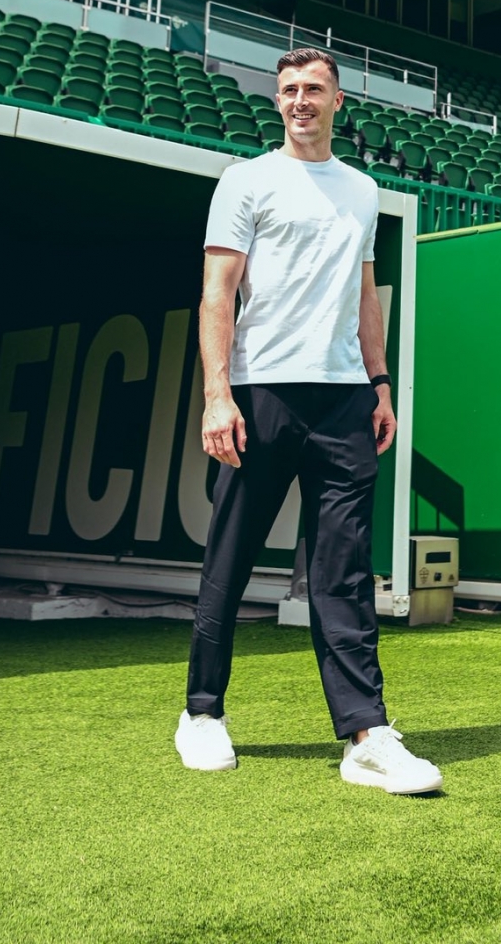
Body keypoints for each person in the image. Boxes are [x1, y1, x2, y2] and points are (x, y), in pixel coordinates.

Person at [176, 46, 442, 795]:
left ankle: (366, 734)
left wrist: (380, 383)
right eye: (289, 89)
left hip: (344, 400)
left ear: (338, 102)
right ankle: (202, 712)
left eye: (314, 89)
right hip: (260, 395)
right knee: (230, 556)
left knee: (344, 570)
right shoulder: (245, 180)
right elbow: (216, 295)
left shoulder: (362, 190)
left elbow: (364, 294)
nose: (300, 100)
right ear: (278, 101)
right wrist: (217, 394)